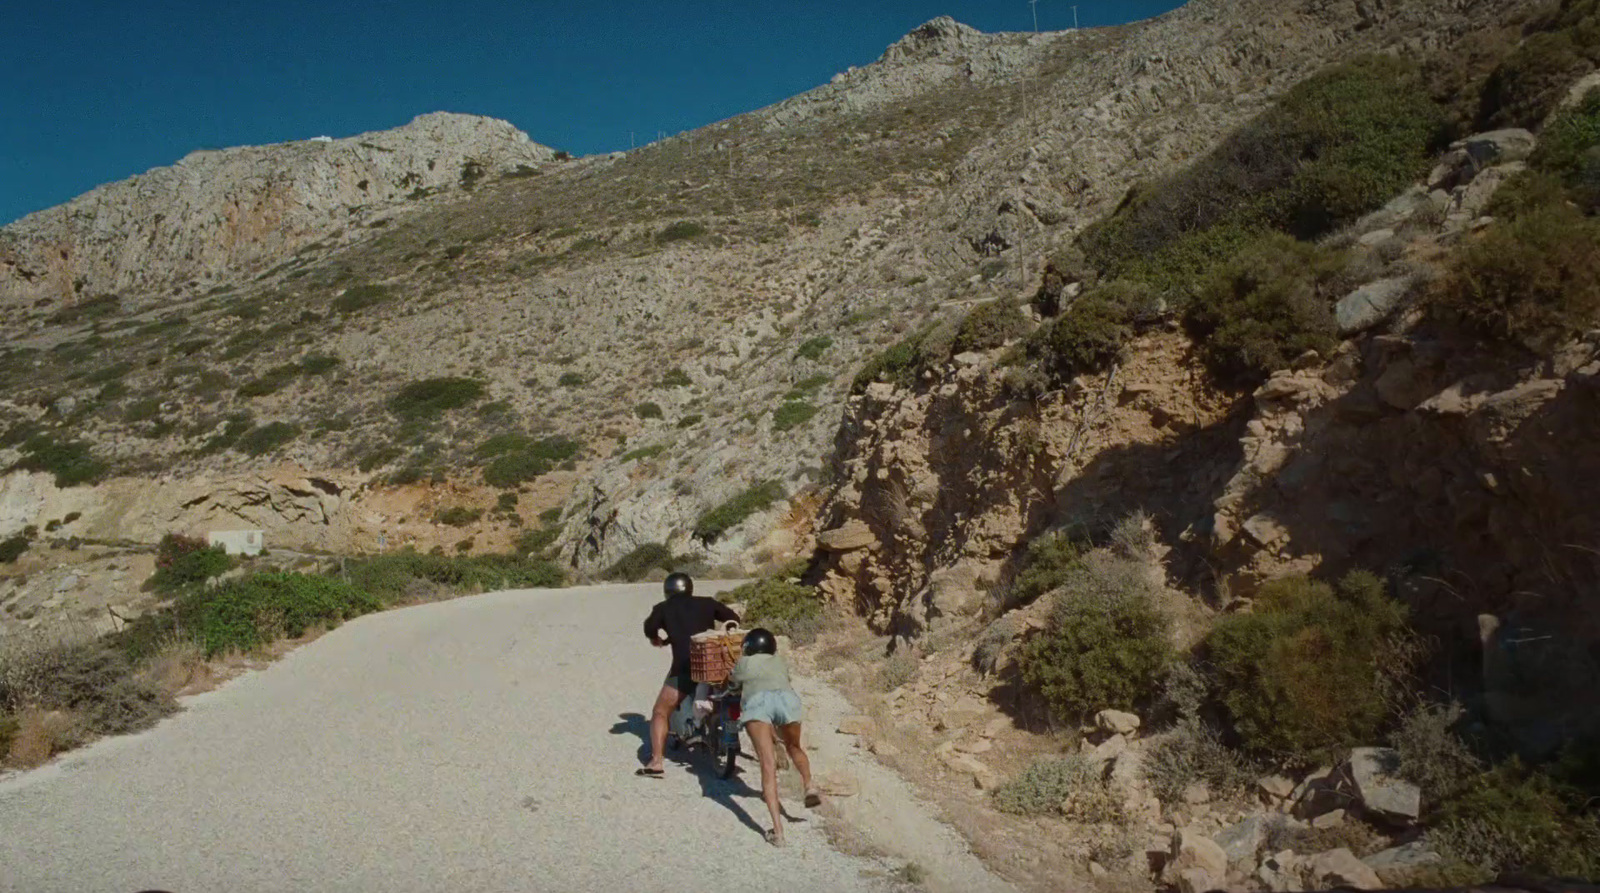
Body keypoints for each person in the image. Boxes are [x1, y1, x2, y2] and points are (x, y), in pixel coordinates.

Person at [637, 572, 739, 778]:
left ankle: (656, 762)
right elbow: (733, 619)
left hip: (684, 667)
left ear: (668, 590)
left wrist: (657, 638)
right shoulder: (707, 603)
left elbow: (649, 628)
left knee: (660, 711)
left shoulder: (663, 608)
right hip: (713, 665)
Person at [730, 627, 821, 846]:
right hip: (787, 700)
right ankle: (809, 785)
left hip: (758, 704)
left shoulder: (744, 662)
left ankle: (778, 833)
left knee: (767, 765)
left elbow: (733, 684)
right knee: (794, 747)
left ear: (749, 646)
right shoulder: (779, 661)